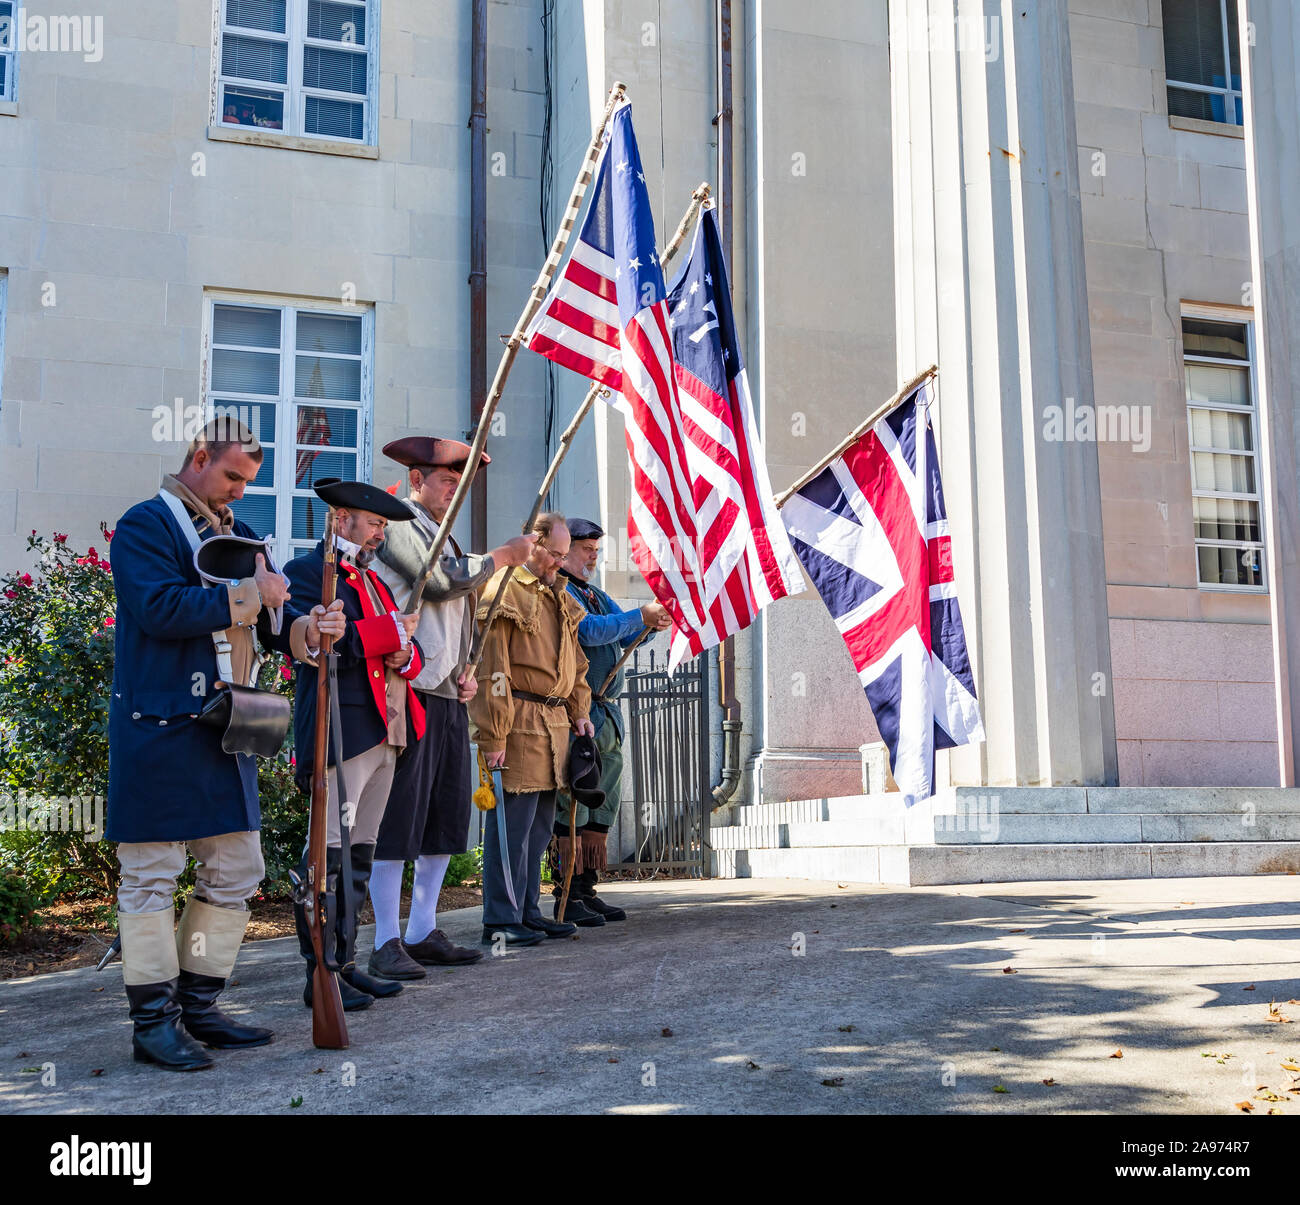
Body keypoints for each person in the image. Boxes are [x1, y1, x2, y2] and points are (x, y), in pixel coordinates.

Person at [107, 418, 343, 1071]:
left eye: (247, 481)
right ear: (199, 456)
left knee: (237, 870)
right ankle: (152, 1021)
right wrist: (251, 594)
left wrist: (307, 626)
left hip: (227, 727)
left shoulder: (230, 534)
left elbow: (272, 626)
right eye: (233, 475)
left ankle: (199, 1003)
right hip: (157, 727)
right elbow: (159, 608)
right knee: (151, 874)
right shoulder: (144, 525)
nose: (240, 491)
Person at [364, 436, 536, 979]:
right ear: (417, 481)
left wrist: (465, 670)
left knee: (445, 816)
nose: (455, 491)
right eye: (446, 481)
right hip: (405, 692)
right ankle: (386, 939)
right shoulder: (397, 525)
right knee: (398, 818)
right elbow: (437, 585)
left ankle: (422, 930)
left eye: (461, 483)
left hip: (443, 693)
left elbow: (459, 616)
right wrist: (502, 558)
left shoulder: (448, 537)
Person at [283, 480, 426, 1012]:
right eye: (372, 524)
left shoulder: (375, 582)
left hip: (388, 730)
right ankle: (319, 971)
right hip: (344, 731)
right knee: (328, 856)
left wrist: (402, 653)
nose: (378, 535)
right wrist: (388, 637)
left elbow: (410, 655)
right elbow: (320, 650)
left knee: (360, 854)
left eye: (383, 528)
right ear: (341, 520)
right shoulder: (306, 574)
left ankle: (345, 962)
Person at [468, 513, 594, 947]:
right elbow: (493, 669)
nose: (560, 563)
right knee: (510, 829)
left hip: (554, 726)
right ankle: (500, 919)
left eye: (564, 555)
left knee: (539, 830)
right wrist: (493, 733)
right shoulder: (505, 589)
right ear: (533, 543)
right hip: (518, 722)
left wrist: (580, 710)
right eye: (554, 554)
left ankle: (526, 912)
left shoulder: (556, 595)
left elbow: (575, 664)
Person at [553, 519, 671, 924]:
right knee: (574, 804)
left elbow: (622, 633)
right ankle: (566, 896)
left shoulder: (595, 593)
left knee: (602, 805)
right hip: (577, 713)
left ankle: (586, 890)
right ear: (564, 551)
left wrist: (651, 624)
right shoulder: (561, 590)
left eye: (596, 551)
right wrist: (640, 613)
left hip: (606, 713)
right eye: (586, 550)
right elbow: (589, 632)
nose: (593, 557)